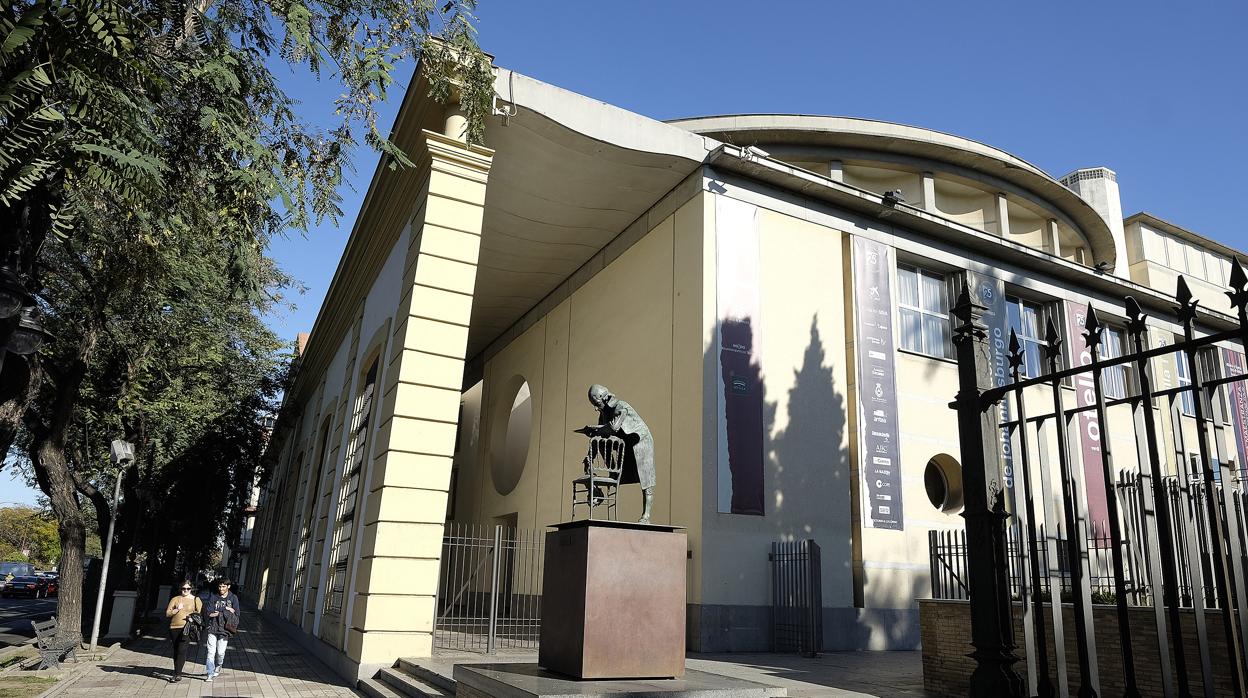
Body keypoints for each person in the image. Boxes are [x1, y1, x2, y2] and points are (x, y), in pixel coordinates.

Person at [578, 384, 657, 523]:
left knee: (646, 481)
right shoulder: (602, 416)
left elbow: (614, 427)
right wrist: (590, 456)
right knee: (594, 453)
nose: (596, 408)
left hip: (641, 441)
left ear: (605, 398)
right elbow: (600, 435)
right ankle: (598, 488)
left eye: (597, 404)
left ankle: (646, 516)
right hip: (625, 444)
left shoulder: (621, 406)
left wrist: (596, 430)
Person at [201, 577, 240, 682]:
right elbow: (209, 613)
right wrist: (225, 609)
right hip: (212, 627)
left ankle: (219, 665)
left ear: (228, 587)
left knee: (220, 652)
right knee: (210, 652)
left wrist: (218, 612)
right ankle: (210, 673)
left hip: (225, 629)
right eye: (219, 586)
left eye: (223, 586)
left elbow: (236, 614)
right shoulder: (214, 597)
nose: (221, 588)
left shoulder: (233, 598)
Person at [164, 581, 201, 683]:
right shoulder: (175, 599)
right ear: (181, 589)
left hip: (187, 628)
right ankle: (177, 671)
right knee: (176, 650)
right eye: (183, 588)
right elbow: (167, 613)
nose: (185, 590)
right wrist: (176, 610)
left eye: (188, 589)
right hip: (174, 627)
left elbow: (199, 615)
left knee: (182, 649)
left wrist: (192, 619)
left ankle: (177, 674)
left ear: (191, 589)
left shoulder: (195, 600)